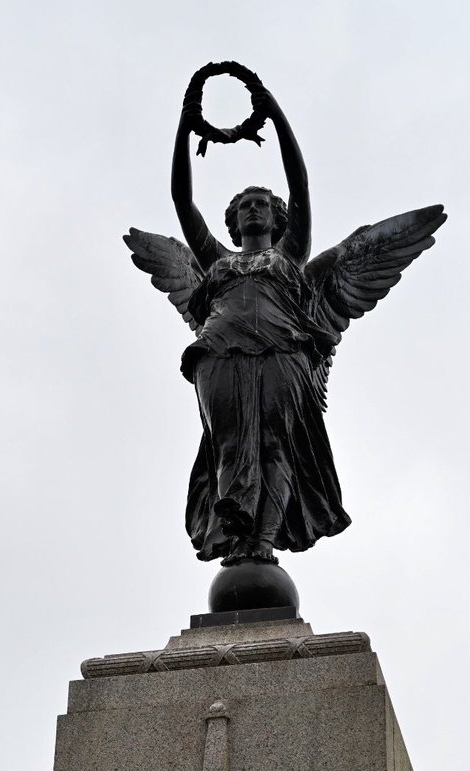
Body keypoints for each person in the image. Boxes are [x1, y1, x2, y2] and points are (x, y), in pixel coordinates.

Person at [170, 87, 351, 564]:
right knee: (228, 442)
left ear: (277, 216)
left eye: (262, 203)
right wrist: (184, 127)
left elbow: (301, 185)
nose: (254, 208)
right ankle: (233, 534)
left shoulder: (290, 256)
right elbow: (181, 201)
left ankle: (264, 541)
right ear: (232, 222)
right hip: (219, 350)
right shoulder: (216, 262)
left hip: (282, 350)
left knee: (276, 444)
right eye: (245, 204)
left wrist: (275, 114)